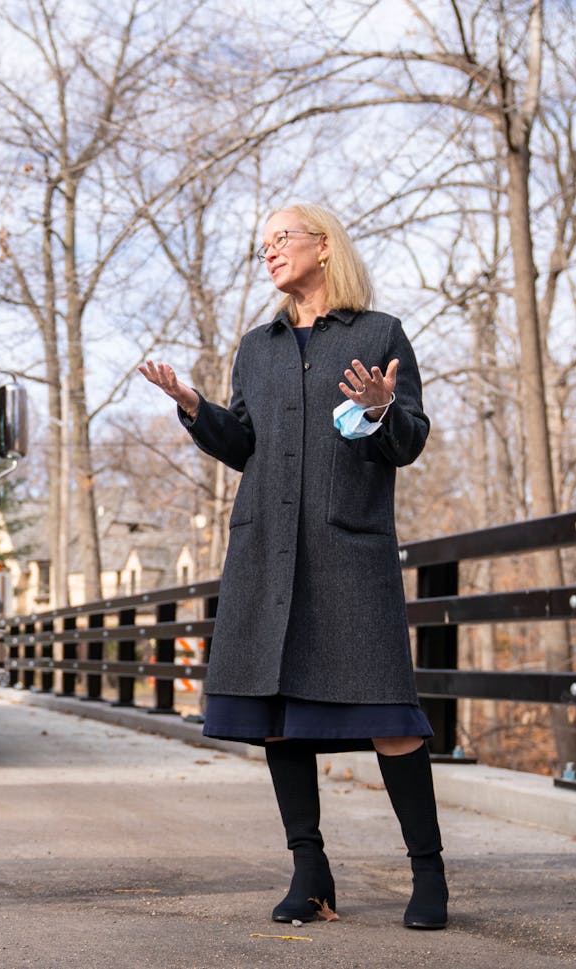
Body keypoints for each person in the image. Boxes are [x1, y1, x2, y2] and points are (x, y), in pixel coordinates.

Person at [138, 202, 447, 930]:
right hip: (267, 551)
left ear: (324, 245)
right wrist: (193, 406)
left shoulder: (378, 333)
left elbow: (409, 440)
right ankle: (310, 872)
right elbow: (243, 441)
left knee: (391, 715)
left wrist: (380, 410)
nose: (270, 252)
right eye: (263, 244)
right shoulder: (258, 345)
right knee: (279, 717)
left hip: (349, 550)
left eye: (283, 239)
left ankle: (428, 872)